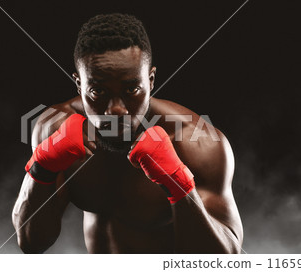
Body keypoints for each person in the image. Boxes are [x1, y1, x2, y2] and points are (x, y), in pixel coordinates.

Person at [12, 13, 243, 253]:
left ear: (151, 80)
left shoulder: (197, 143)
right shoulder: (52, 128)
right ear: (80, 84)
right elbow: (31, 242)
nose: (116, 110)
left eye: (132, 89)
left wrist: (179, 185)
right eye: (98, 91)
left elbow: (224, 260)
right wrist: (42, 167)